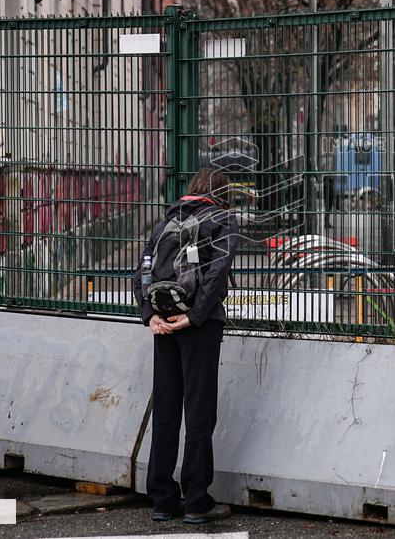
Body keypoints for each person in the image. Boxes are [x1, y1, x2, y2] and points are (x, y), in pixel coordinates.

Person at [132, 168, 240, 525]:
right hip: (199, 326)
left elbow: (142, 270)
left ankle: (162, 499)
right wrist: (194, 317)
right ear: (224, 193)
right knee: (199, 410)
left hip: (164, 322)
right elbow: (217, 273)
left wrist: (150, 315)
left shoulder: (168, 219)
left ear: (193, 189)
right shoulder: (223, 219)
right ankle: (196, 500)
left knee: (166, 409)